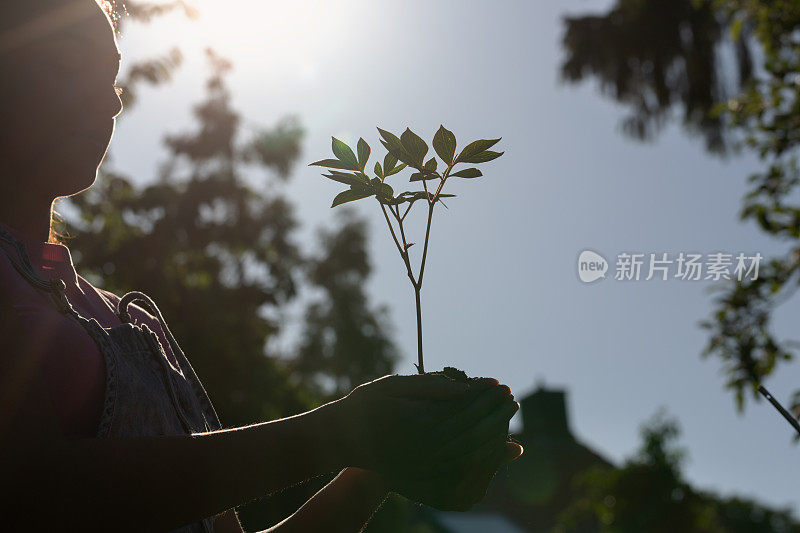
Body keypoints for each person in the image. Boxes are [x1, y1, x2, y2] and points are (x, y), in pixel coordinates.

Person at [0, 1, 523, 532]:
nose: (106, 102)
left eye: (110, 79)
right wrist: (338, 432)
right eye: (67, 65)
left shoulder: (131, 321)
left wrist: (373, 465)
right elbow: (31, 489)